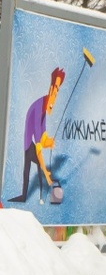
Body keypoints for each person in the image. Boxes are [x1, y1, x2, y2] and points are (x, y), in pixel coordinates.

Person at [9, 67, 65, 203]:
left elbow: (42, 138)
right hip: (28, 143)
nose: (55, 96)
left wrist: (49, 142)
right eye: (54, 90)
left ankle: (31, 196)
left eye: (57, 92)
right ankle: (38, 196)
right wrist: (46, 173)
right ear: (50, 89)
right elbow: (39, 146)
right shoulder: (39, 107)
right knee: (36, 168)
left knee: (30, 170)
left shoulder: (44, 110)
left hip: (31, 143)